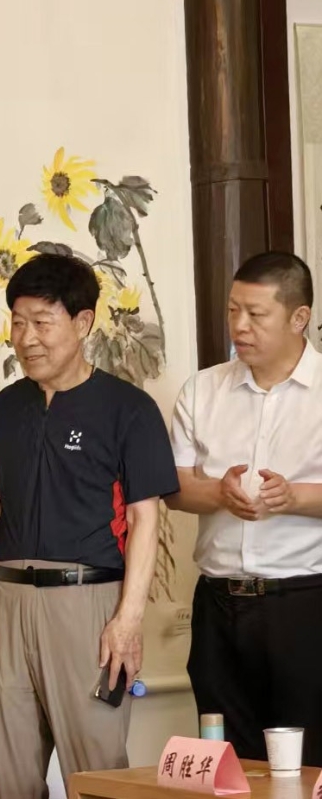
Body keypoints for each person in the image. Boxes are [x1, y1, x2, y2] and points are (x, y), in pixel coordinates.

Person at [0, 253, 179, 797]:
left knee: (97, 772)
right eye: (18, 322)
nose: (27, 338)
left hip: (88, 603)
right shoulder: (5, 406)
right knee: (6, 776)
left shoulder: (128, 408)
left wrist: (127, 620)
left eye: (42, 322)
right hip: (7, 602)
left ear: (83, 322)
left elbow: (144, 518)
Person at [166, 251, 322, 764]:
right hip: (218, 603)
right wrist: (219, 494)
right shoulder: (202, 389)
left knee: (307, 762)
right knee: (227, 762)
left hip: (304, 601)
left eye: (256, 314)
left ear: (299, 317)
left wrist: (295, 498)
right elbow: (175, 488)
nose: (239, 326)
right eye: (233, 310)